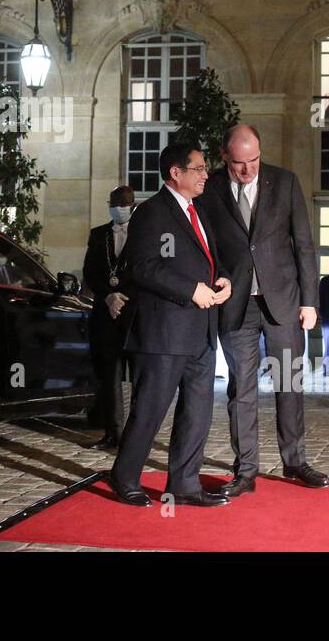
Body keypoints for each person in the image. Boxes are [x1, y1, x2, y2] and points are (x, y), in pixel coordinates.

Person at [197, 124, 329, 497]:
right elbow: (207, 249)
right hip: (236, 306)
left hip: (284, 304)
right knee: (242, 389)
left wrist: (310, 302)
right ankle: (246, 470)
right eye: (239, 163)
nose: (247, 169)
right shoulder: (211, 192)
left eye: (253, 160)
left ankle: (295, 461)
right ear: (224, 156)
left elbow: (304, 245)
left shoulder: (284, 182)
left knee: (289, 383)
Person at [109, 143, 232, 508]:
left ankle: (185, 483)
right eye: (198, 169)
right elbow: (142, 267)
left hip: (202, 330)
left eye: (206, 168)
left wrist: (222, 278)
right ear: (175, 173)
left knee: (197, 411)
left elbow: (211, 258)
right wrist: (190, 289)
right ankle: (125, 477)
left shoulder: (200, 211)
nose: (205, 175)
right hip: (163, 331)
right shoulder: (151, 213)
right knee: (150, 409)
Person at [81, 185, 136, 450]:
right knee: (109, 377)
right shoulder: (98, 234)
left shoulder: (145, 232)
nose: (118, 208)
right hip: (106, 314)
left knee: (140, 379)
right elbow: (90, 271)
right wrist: (107, 296)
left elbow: (149, 270)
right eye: (113, 204)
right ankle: (113, 433)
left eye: (122, 204)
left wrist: (125, 297)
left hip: (136, 316)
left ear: (132, 205)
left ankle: (138, 437)